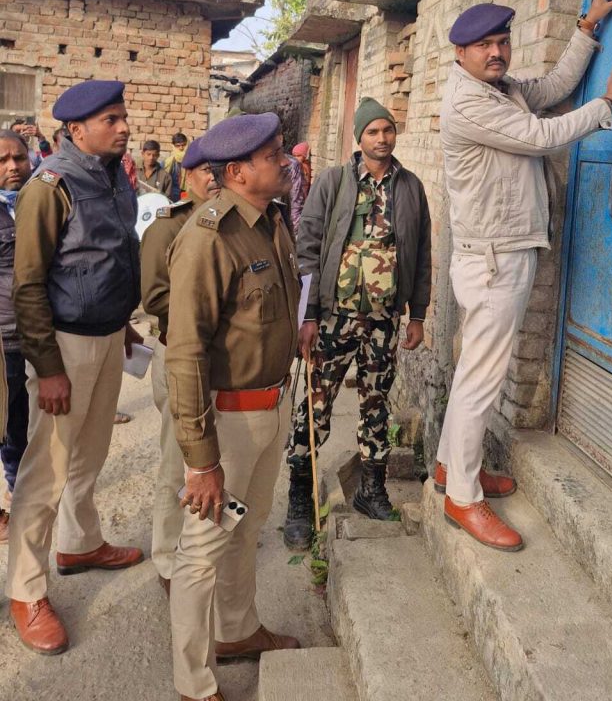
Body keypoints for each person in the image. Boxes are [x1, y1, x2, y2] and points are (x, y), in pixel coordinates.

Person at [435, 0, 612, 552]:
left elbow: (551, 88)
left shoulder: (500, 89)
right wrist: (609, 103)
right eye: (484, 45)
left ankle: (451, 468)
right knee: (481, 381)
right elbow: (541, 135)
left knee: (473, 373)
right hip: (494, 261)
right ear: (460, 53)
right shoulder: (470, 102)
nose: (497, 52)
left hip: (499, 253)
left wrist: (587, 27)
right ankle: (463, 499)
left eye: (502, 42)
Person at [164, 113, 301, 700]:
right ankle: (193, 683)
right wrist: (201, 460)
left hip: (271, 406)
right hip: (229, 420)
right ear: (239, 172)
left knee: (248, 530)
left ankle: (238, 630)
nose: (285, 162)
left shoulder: (271, 221)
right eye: (273, 156)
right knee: (202, 551)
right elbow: (185, 353)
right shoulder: (207, 237)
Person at [7, 79, 145, 655]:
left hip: (109, 336)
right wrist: (48, 367)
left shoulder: (113, 175)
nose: (124, 127)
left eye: (123, 117)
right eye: (111, 120)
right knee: (46, 471)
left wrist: (125, 321)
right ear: (76, 129)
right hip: (65, 346)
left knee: (89, 454)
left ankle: (80, 543)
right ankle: (25, 589)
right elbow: (29, 285)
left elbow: (112, 255)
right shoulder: (51, 186)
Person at [284, 98, 432, 550]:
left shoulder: (411, 187)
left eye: (388, 130)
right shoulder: (333, 182)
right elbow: (307, 249)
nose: (382, 139)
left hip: (384, 322)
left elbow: (421, 254)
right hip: (335, 318)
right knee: (316, 406)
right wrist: (308, 314)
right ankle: (299, 498)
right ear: (359, 138)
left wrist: (417, 313)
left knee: (376, 405)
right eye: (373, 132)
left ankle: (372, 490)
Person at [140, 139, 216, 593]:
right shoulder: (167, 227)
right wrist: (212, 311)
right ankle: (168, 556)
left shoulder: (232, 222)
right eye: (204, 170)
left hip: (222, 360)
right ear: (187, 175)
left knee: (216, 456)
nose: (213, 177)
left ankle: (207, 543)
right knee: (179, 459)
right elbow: (154, 297)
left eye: (220, 169)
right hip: (180, 356)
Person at [0, 131, 33, 541]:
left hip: (37, 332)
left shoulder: (37, 201)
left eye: (19, 158)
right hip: (3, 336)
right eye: (3, 160)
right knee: (5, 422)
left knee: (24, 420)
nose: (12, 167)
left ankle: (19, 489)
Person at [165, 131, 189, 201]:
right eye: (178, 146)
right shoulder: (167, 162)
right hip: (172, 193)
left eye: (183, 145)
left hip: (186, 193)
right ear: (173, 146)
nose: (181, 148)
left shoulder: (191, 160)